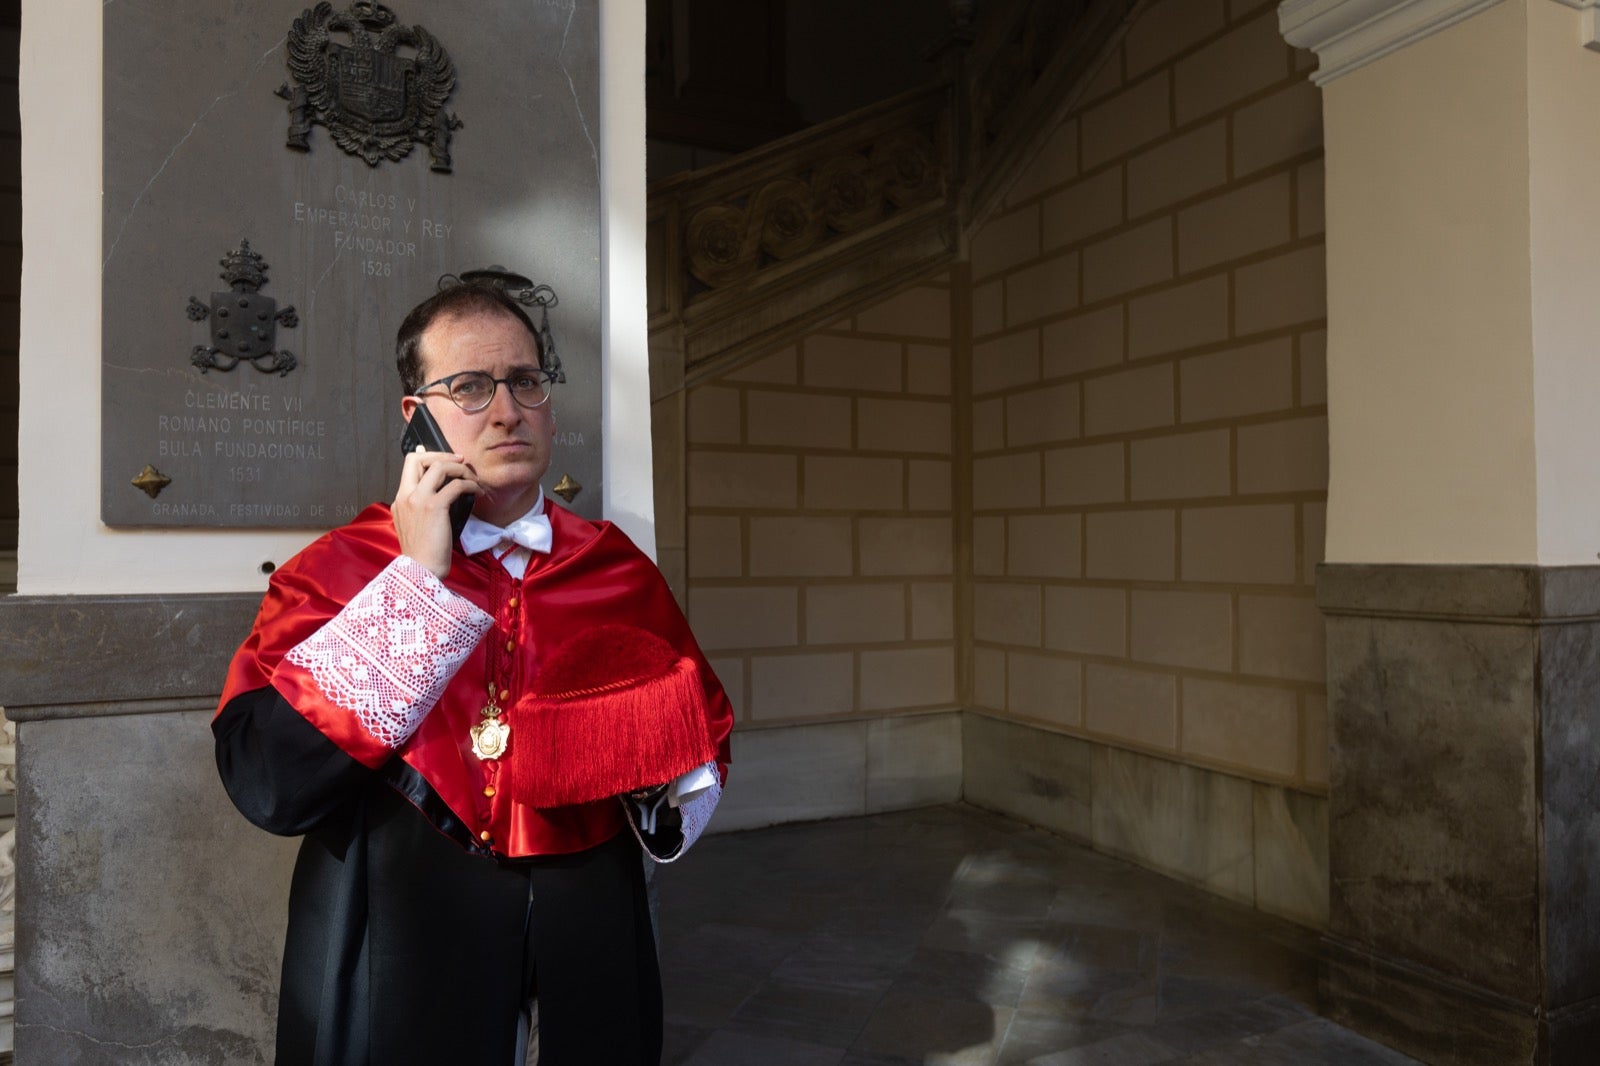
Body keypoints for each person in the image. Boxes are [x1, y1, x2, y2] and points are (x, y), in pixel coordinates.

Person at [213, 279, 733, 1066]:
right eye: (468, 386)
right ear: (414, 415)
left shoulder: (616, 570)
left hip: (586, 909)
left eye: (526, 381)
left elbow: (693, 756)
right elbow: (268, 779)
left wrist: (647, 753)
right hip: (396, 908)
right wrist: (418, 581)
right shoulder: (338, 570)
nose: (505, 410)